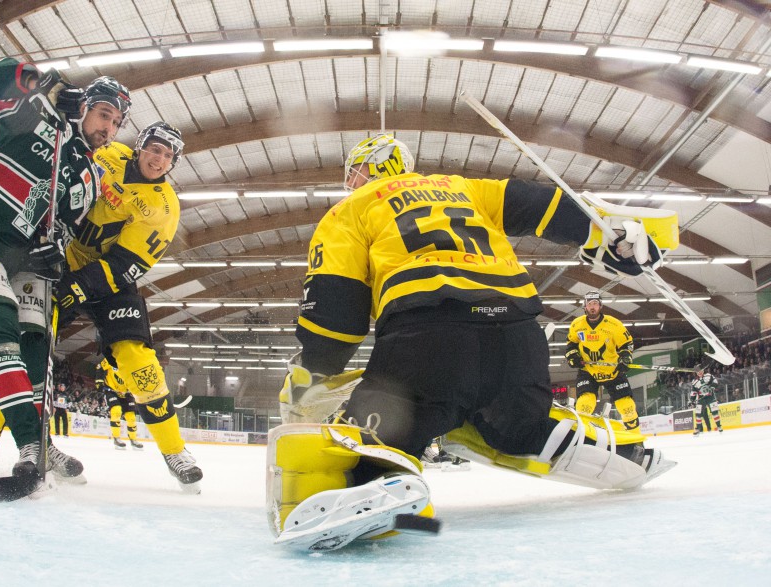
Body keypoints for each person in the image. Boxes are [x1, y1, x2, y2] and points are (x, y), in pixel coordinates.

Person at [268, 134, 675, 551]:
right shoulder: (462, 187)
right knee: (516, 427)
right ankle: (627, 455)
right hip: (519, 338)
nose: (350, 182)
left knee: (380, 431)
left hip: (429, 338)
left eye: (353, 172)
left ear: (370, 167)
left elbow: (336, 311)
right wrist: (607, 238)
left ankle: (379, 482)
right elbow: (545, 205)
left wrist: (316, 368)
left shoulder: (349, 210)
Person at [0, 57, 131, 493]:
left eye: (117, 122)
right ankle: (33, 445)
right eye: (105, 114)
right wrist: (34, 81)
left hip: (26, 261)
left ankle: (36, 441)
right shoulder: (36, 115)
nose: (109, 127)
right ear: (84, 107)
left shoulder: (90, 178)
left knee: (34, 346)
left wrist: (55, 258)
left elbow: (60, 230)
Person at [54, 121, 200, 491]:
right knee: (30, 340)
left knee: (137, 357)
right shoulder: (108, 155)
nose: (160, 158)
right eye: (155, 149)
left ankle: (174, 452)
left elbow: (125, 263)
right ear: (140, 147)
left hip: (110, 279)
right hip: (65, 259)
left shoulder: (164, 207)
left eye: (168, 155)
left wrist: (79, 287)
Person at [565, 291, 641, 431]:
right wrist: (573, 357)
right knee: (584, 405)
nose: (592, 307)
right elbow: (571, 344)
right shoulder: (577, 325)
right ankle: (580, 437)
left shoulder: (613, 324)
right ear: (585, 307)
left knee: (627, 407)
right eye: (589, 304)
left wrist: (625, 357)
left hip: (612, 371)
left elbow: (627, 344)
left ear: (600, 306)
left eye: (595, 304)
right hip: (588, 371)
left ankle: (636, 440)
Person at [96, 357, 143, 449]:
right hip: (112, 390)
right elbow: (100, 367)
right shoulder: (112, 358)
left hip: (126, 392)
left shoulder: (132, 361)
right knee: (116, 411)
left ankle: (133, 440)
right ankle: (116, 438)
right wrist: (99, 382)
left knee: (131, 417)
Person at [689, 367, 723, 435]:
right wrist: (691, 400)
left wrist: (712, 387)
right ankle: (698, 429)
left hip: (710, 397)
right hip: (701, 399)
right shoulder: (694, 381)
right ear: (696, 373)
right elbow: (693, 391)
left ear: (703, 370)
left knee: (714, 412)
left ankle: (719, 426)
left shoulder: (709, 375)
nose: (699, 373)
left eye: (700, 371)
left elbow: (715, 381)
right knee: (698, 414)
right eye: (698, 372)